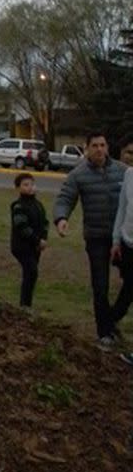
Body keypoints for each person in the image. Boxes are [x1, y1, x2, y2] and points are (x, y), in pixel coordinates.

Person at [53, 131, 126, 349]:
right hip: (96, 238)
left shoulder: (123, 171)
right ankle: (104, 331)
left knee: (130, 282)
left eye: (102, 145)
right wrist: (61, 218)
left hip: (122, 237)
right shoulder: (78, 174)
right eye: (94, 145)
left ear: (107, 147)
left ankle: (112, 317)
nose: (99, 149)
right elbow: (65, 197)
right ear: (86, 148)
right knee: (100, 285)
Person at [10, 173, 48, 307]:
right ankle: (25, 305)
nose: (30, 187)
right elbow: (22, 227)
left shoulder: (38, 205)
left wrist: (43, 238)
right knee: (31, 271)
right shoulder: (18, 206)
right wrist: (37, 240)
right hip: (22, 247)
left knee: (31, 274)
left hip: (35, 247)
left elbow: (45, 223)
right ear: (18, 188)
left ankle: (26, 304)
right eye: (25, 185)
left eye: (32, 184)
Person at [111, 154, 133, 365]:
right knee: (129, 286)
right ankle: (113, 318)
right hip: (128, 243)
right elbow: (122, 209)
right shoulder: (129, 174)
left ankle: (112, 317)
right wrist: (117, 239)